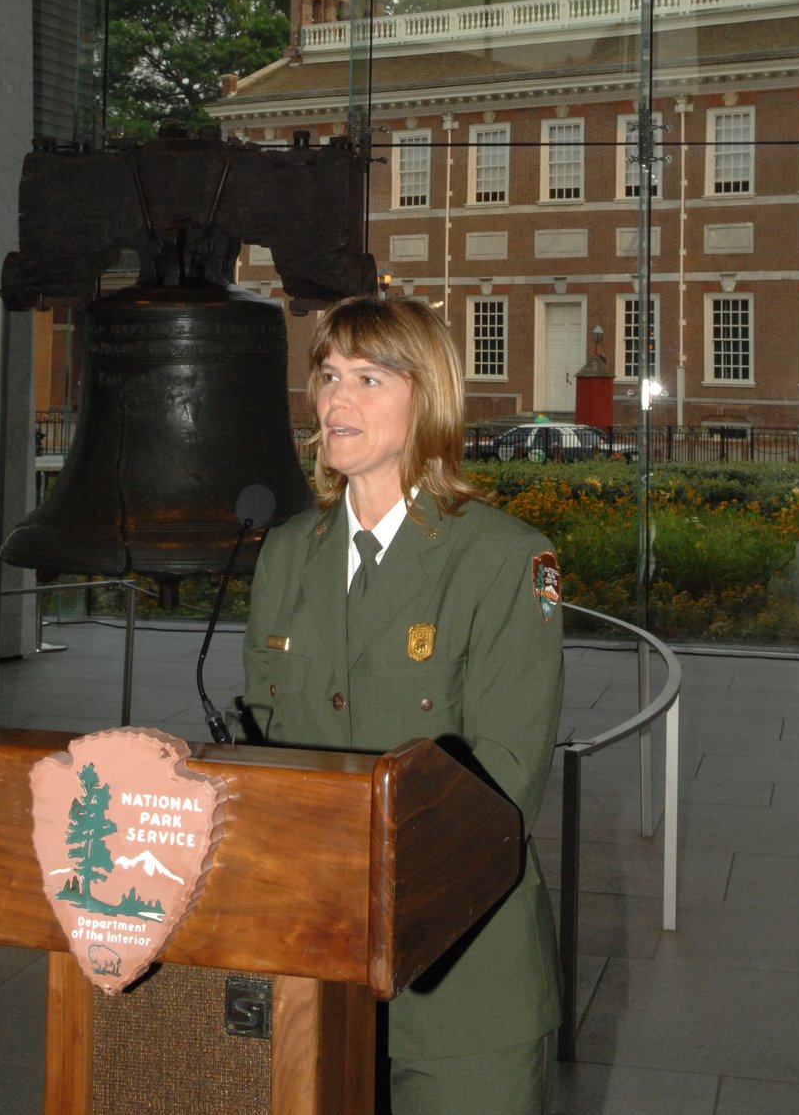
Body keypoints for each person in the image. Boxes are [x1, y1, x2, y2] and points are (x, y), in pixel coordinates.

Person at [239, 295, 564, 1114]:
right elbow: (266, 746)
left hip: (462, 978)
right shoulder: (286, 555)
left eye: (369, 379)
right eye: (327, 376)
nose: (336, 402)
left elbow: (503, 784)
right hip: (315, 971)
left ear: (428, 398)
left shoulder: (504, 560)